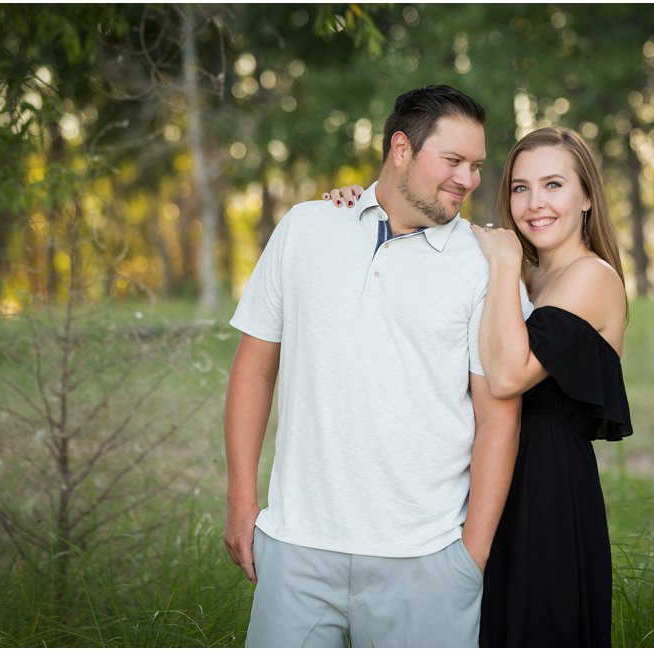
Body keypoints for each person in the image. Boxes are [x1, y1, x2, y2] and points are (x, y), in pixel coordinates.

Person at [223, 85, 524, 648]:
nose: (469, 179)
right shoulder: (306, 228)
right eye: (453, 161)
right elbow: (254, 368)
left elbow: (498, 417)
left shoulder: (482, 265)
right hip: (297, 550)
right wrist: (243, 499)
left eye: (478, 165)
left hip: (425, 560)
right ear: (402, 149)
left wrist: (470, 558)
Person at [328, 126, 632, 647]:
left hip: (545, 494)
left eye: (554, 185)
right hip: (483, 487)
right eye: (520, 187)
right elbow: (418, 224)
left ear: (586, 197)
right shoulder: (521, 275)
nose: (534, 203)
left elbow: (510, 375)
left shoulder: (591, 278)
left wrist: (505, 262)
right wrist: (361, 204)